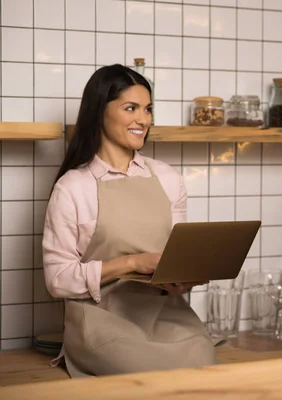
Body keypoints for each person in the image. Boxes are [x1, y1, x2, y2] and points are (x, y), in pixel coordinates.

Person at [42, 64, 215, 377]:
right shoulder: (72, 187)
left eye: (147, 109)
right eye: (130, 108)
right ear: (99, 112)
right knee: (148, 374)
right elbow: (58, 279)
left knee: (203, 365)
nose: (143, 119)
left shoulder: (167, 177)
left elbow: (173, 257)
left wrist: (181, 279)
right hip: (101, 321)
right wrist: (132, 262)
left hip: (167, 315)